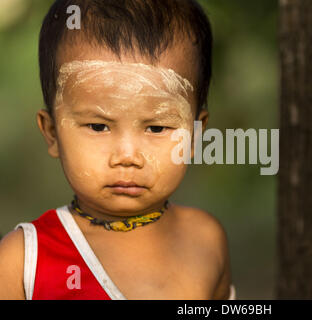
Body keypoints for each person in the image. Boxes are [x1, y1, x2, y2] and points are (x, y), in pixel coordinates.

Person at [0, 0, 233, 300]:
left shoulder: (206, 242)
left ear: (194, 135)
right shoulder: (23, 263)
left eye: (156, 128)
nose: (127, 156)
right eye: (98, 126)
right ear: (52, 132)